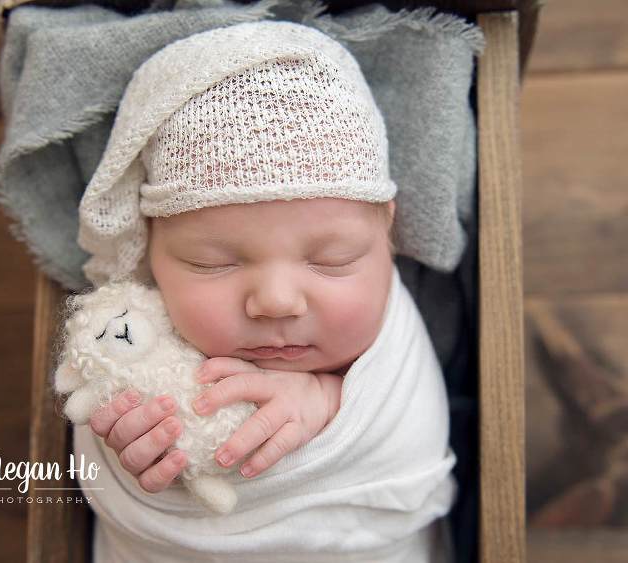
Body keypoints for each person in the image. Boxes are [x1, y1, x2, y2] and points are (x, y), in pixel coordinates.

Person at [70, 20, 457, 563]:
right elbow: (102, 463)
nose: (276, 301)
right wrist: (131, 449)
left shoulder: (390, 335)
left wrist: (327, 401)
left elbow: (410, 446)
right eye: (212, 263)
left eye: (332, 260)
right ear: (148, 248)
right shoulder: (136, 335)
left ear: (385, 235)